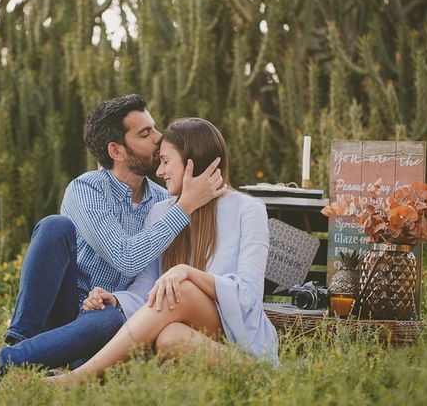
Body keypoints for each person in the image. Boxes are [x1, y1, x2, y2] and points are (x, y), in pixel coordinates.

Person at [0, 95, 226, 377]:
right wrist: (185, 206)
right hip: (65, 309)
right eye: (145, 133)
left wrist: (115, 299)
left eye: (154, 128)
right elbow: (125, 258)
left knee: (109, 319)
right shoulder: (86, 190)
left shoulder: (164, 201)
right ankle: (19, 343)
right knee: (55, 227)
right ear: (116, 150)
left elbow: (154, 276)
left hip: (107, 317)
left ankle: (46, 361)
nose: (159, 137)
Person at [47, 118, 279, 386]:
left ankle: (77, 379)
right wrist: (117, 299)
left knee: (180, 287)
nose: (159, 171)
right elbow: (147, 287)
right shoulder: (162, 212)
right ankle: (255, 376)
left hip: (234, 329)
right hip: (188, 330)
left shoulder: (248, 210)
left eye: (166, 161)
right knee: (170, 338)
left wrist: (187, 273)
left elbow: (248, 295)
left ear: (191, 161)